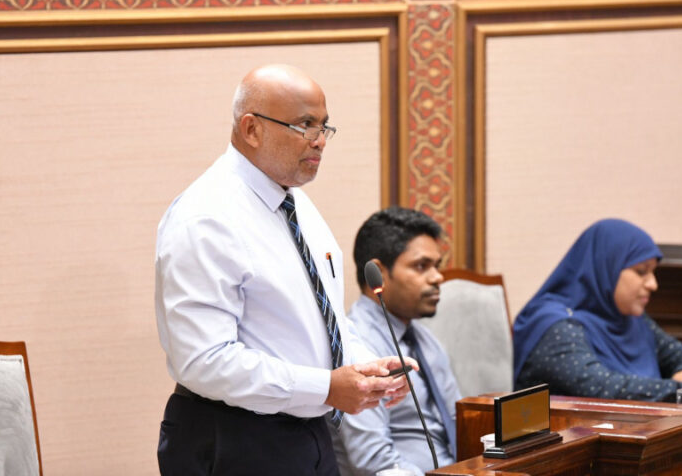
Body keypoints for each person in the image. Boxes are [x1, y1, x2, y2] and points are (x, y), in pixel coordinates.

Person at [154, 64, 416, 476]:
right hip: (231, 439)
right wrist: (326, 387)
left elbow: (321, 321)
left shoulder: (295, 203)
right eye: (305, 125)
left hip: (308, 432)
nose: (320, 140)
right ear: (252, 129)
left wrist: (369, 368)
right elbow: (205, 360)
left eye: (324, 126)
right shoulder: (205, 217)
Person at [513, 218, 682, 402]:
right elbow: (604, 389)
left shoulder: (629, 318)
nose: (653, 284)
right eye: (641, 272)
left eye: (653, 272)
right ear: (606, 268)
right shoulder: (556, 326)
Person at [331, 207, 461, 476]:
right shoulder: (356, 350)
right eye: (421, 266)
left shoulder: (424, 338)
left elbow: (459, 421)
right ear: (378, 274)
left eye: (436, 266)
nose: (438, 277)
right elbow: (373, 460)